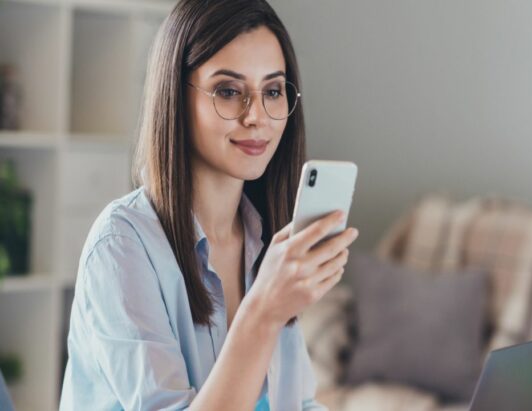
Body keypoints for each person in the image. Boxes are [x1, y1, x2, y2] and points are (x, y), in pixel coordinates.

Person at [59, 1, 358, 409]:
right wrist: (265, 311)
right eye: (229, 91)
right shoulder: (121, 246)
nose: (257, 116)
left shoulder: (263, 242)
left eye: (272, 91)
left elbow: (298, 404)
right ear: (175, 96)